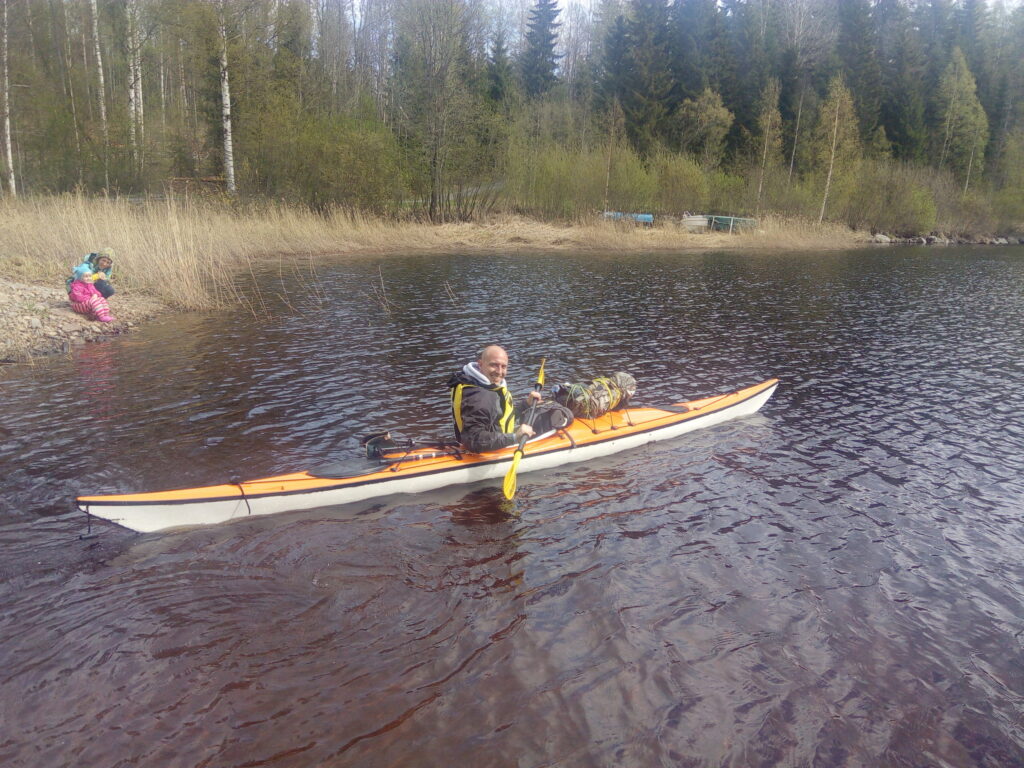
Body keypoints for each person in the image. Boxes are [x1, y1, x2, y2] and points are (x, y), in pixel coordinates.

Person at [447, 345, 571, 453]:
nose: (499, 371)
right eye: (494, 365)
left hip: (495, 437)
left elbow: (500, 418)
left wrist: (525, 404)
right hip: (489, 448)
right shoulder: (481, 396)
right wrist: (514, 437)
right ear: (480, 364)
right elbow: (474, 440)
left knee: (545, 412)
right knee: (552, 415)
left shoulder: (481, 386)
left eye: (503, 366)